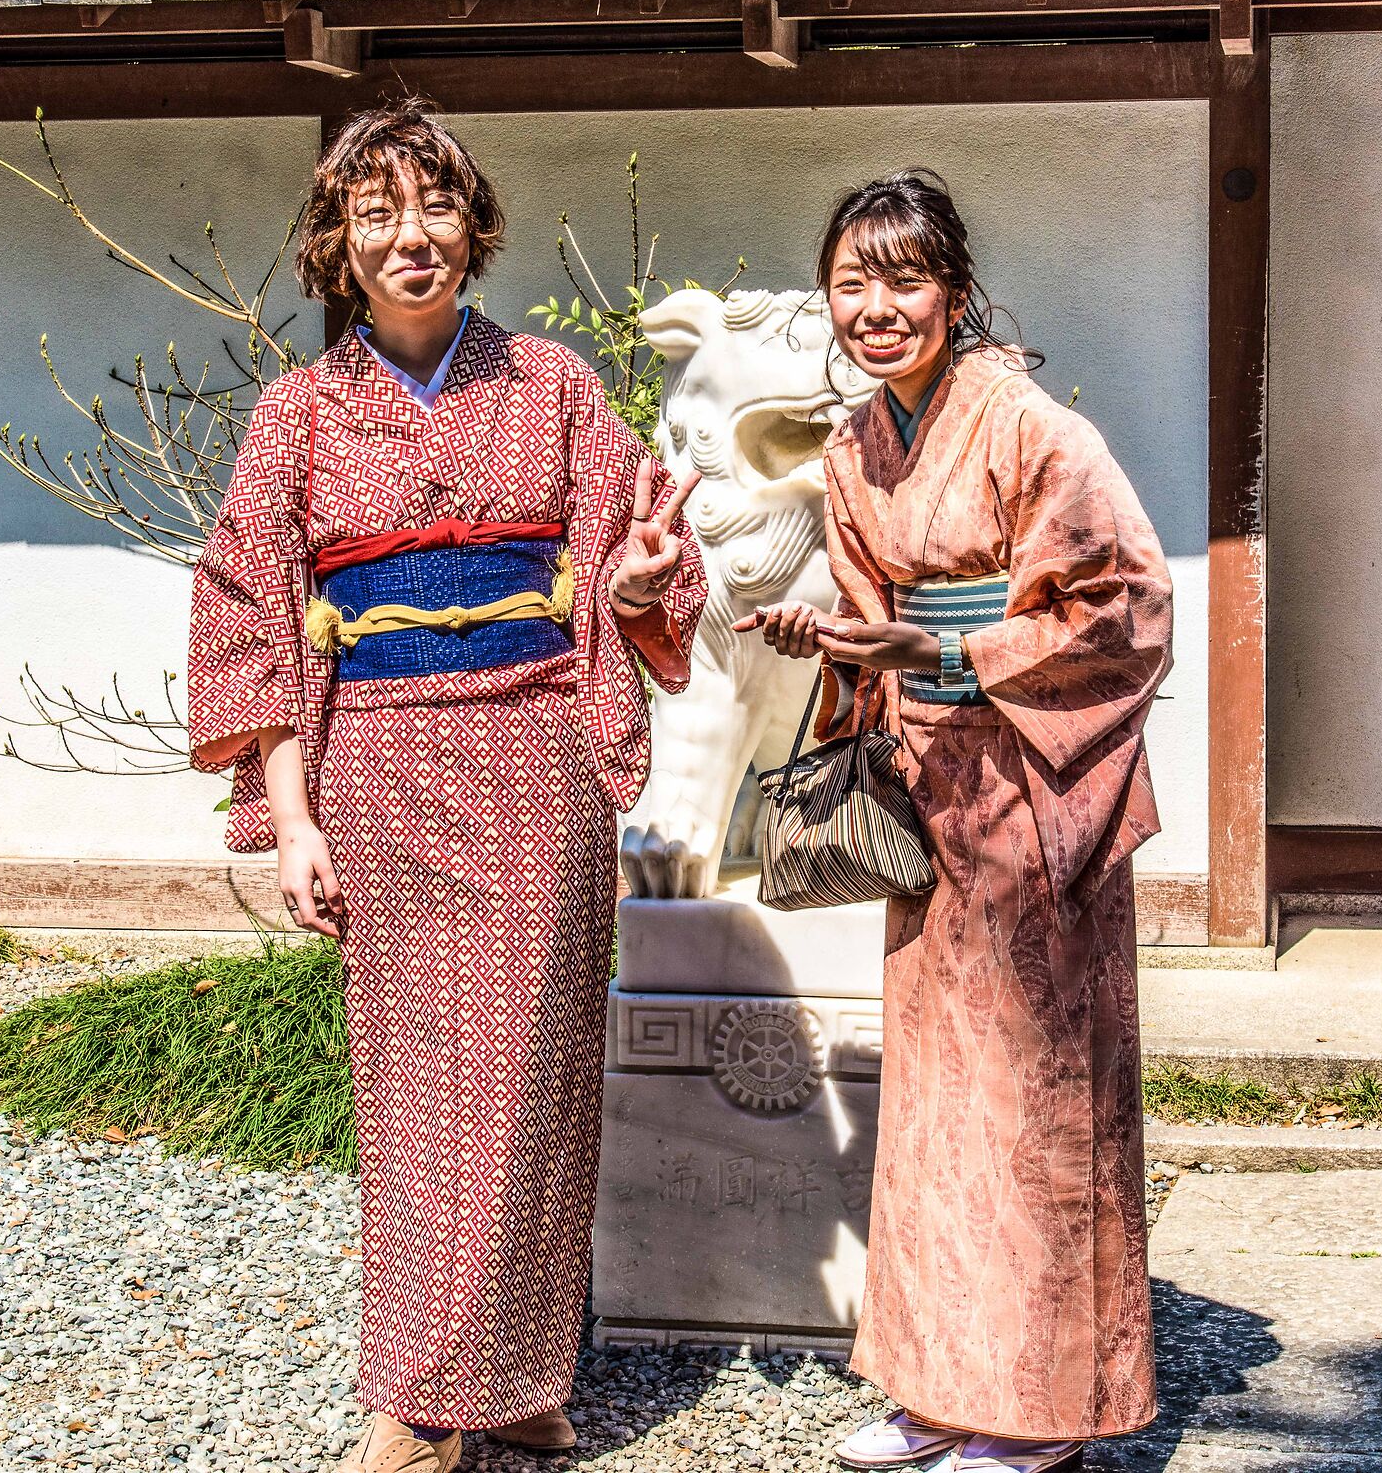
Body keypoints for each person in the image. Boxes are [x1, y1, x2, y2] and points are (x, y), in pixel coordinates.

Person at [186, 98, 706, 1473]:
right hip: (380, 769)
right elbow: (251, 613)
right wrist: (292, 819)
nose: (410, 236)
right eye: (378, 215)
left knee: (537, 1081)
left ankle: (519, 1379)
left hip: (536, 758)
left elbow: (632, 567)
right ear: (338, 245)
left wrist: (640, 582)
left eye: (435, 209)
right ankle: (414, 1402)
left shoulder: (554, 387)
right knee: (417, 1094)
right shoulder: (297, 415)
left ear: (475, 230)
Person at [737, 172, 1171, 1473]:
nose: (877, 309)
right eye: (851, 285)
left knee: (1037, 1099)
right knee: (935, 1102)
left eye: (905, 281)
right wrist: (833, 640)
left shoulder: (1034, 429)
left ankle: (1042, 1408)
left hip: (1037, 786)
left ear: (957, 292)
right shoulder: (855, 448)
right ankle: (936, 1386)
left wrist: (937, 645)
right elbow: (872, 621)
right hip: (931, 791)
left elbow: (1128, 607)